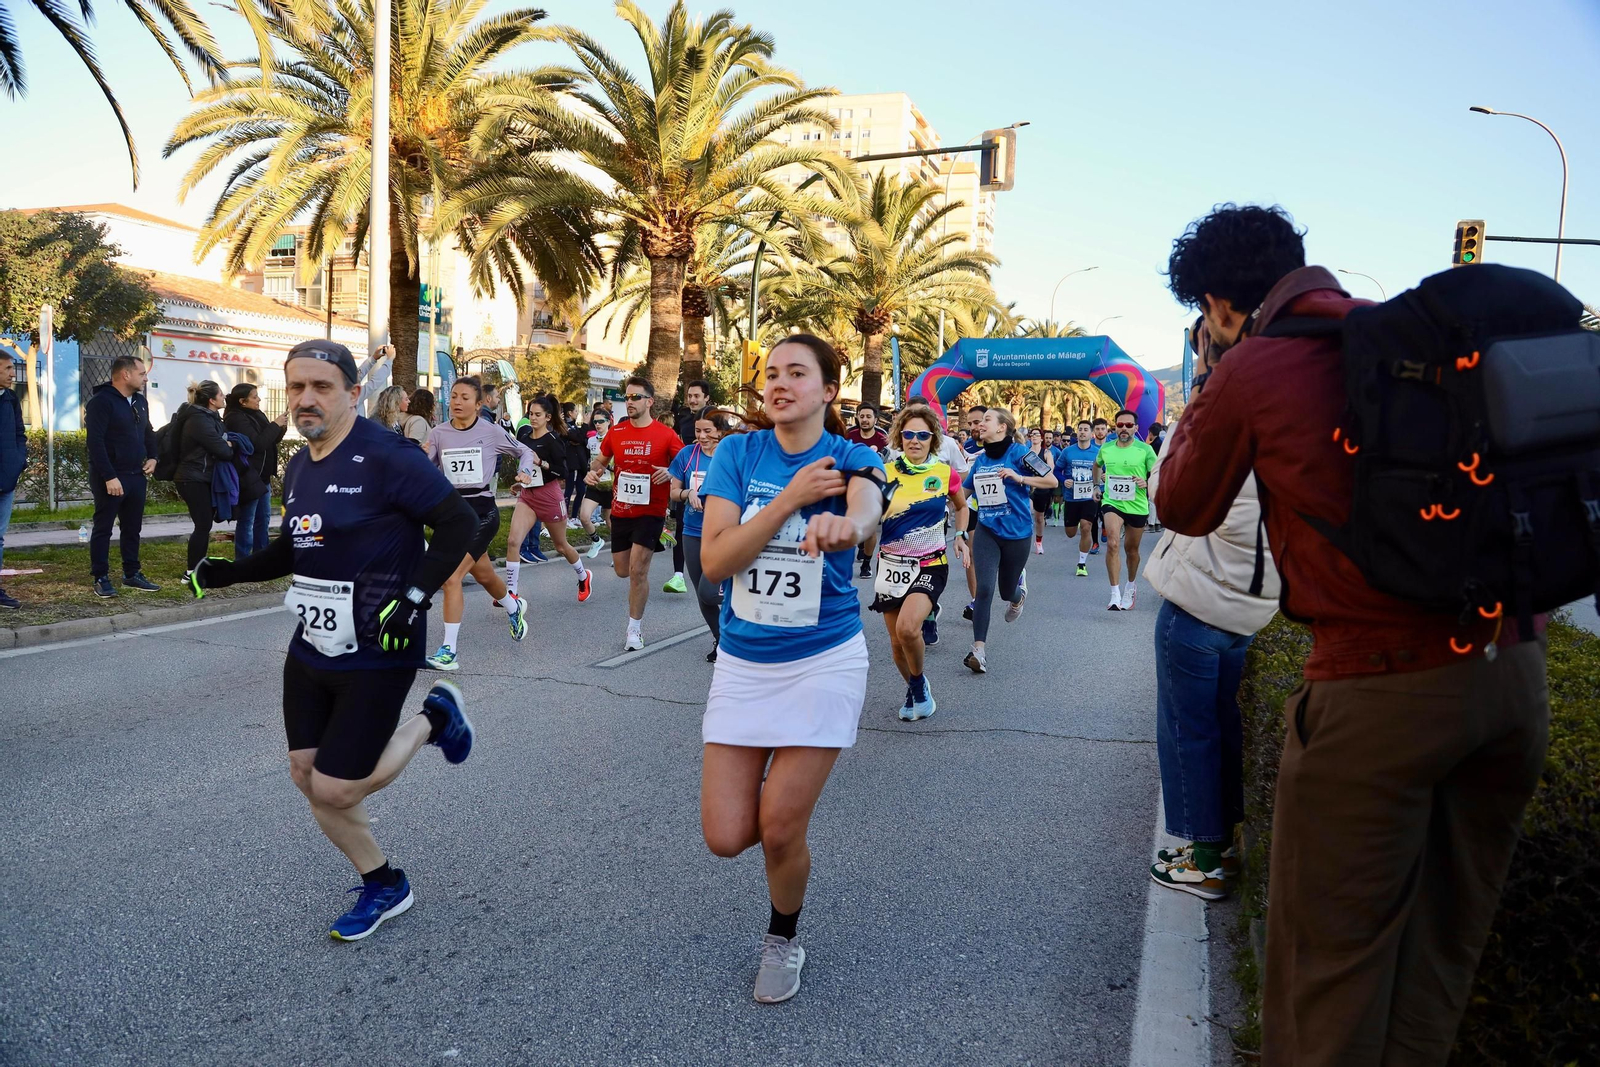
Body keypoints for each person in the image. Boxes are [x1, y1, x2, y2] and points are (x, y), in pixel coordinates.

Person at [1157, 203, 1549, 1066]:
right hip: (1512, 677)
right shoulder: (1413, 339)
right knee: (1438, 953)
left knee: (1326, 973)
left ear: (1219, 305)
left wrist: (1213, 376)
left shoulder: (1255, 365)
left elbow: (1180, 504)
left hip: (1377, 694)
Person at [186, 338, 479, 942]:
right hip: (312, 644)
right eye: (296, 387)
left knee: (338, 786)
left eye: (321, 387)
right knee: (304, 773)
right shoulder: (300, 464)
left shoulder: (389, 456)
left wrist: (418, 597)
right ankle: (384, 882)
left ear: (353, 392)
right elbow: (297, 546)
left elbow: (460, 525)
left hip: (381, 643)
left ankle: (434, 717)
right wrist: (231, 572)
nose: (306, 399)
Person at [698, 333, 886, 1004]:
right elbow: (716, 562)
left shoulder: (849, 454)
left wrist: (851, 526)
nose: (780, 382)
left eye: (797, 372)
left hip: (823, 661)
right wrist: (787, 502)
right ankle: (778, 807)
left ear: (828, 389)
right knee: (725, 836)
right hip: (745, 664)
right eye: (771, 372)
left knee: (779, 826)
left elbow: (867, 503)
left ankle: (783, 937)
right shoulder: (737, 453)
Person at [1143, 326, 1279, 902]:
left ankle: (1202, 857)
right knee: (1223, 725)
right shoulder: (1296, 427)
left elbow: (1166, 495)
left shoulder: (1221, 424)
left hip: (1198, 605)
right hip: (1253, 606)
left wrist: (1194, 409)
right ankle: (1220, 842)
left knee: (1187, 732)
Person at [423, 377, 536, 671]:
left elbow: (526, 451)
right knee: (484, 575)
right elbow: (425, 468)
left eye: (464, 397)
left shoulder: (491, 431)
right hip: (451, 514)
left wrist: (524, 472)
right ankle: (513, 606)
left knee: (451, 578)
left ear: (477, 404)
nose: (457, 402)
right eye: (454, 396)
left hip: (482, 513)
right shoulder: (438, 434)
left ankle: (449, 650)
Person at [872, 403, 969, 719]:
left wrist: (960, 535)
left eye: (922, 435)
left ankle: (917, 686)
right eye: (909, 434)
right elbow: (869, 515)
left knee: (908, 628)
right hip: (890, 565)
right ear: (900, 437)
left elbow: (961, 506)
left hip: (930, 563)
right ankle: (918, 687)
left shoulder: (944, 473)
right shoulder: (885, 474)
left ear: (932, 440)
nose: (915, 440)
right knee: (897, 643)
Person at [587, 377, 682, 651]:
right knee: (622, 571)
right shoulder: (617, 433)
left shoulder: (665, 435)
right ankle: (656, 540)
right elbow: (601, 461)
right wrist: (593, 472)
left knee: (638, 571)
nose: (629, 401)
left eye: (635, 397)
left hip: (651, 512)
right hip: (622, 511)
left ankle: (634, 630)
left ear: (649, 402)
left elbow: (685, 461)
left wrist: (673, 472)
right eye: (627, 397)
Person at [961, 405, 1056, 673]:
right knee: (985, 589)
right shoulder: (980, 460)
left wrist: (1019, 477)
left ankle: (1018, 596)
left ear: (1002, 427)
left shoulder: (1020, 453)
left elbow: (1051, 482)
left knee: (1005, 591)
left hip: (1017, 533)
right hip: (987, 530)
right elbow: (964, 493)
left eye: (987, 420)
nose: (981, 424)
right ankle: (978, 650)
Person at [83, 356, 162, 597]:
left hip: (135, 475)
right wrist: (109, 476)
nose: (145, 378)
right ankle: (101, 576)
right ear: (126, 374)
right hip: (110, 477)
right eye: (141, 373)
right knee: (103, 528)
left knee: (132, 528)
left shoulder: (139, 401)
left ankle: (131, 573)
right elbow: (94, 442)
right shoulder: (101, 402)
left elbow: (148, 431)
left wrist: (153, 457)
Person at [504, 394, 592, 604]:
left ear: (547, 417)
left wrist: (541, 462)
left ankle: (583, 576)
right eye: (531, 414)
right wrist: (520, 482)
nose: (533, 418)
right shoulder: (524, 439)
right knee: (513, 541)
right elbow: (526, 470)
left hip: (549, 496)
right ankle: (511, 593)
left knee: (561, 546)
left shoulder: (553, 441)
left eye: (537, 415)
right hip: (528, 496)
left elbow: (562, 472)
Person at [668, 407, 737, 661]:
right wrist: (688, 494)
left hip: (725, 533)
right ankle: (722, 641)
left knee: (711, 591)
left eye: (708, 431)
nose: (703, 436)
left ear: (720, 430)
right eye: (698, 431)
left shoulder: (730, 455)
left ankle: (738, 623)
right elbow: (674, 491)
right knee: (702, 594)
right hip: (693, 531)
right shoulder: (687, 454)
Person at [173, 380, 236, 580]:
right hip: (192, 478)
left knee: (204, 524)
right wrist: (228, 444)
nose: (224, 397)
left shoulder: (211, 417)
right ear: (211, 400)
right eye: (221, 394)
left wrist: (226, 443)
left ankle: (198, 567)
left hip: (201, 477)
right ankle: (191, 572)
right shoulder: (199, 420)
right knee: (202, 524)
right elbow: (224, 451)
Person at [1096, 409, 1157, 611]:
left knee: (1132, 550)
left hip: (1137, 505)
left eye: (1128, 425)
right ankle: (1115, 594)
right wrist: (1097, 483)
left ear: (1136, 428)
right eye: (1120, 425)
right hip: (1112, 502)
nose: (1124, 428)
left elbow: (1158, 474)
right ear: (1115, 427)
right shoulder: (1106, 448)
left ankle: (1130, 585)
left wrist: (1146, 481)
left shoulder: (1145, 450)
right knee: (1112, 542)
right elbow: (1096, 466)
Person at [223, 382, 289, 560]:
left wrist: (280, 428)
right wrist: (275, 425)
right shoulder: (236, 418)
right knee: (248, 520)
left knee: (264, 517)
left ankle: (262, 556)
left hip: (263, 477)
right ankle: (243, 560)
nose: (259, 399)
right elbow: (257, 445)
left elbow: (269, 440)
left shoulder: (257, 414)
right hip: (249, 476)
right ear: (243, 401)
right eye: (254, 397)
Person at [665, 379, 713, 595]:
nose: (692, 400)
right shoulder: (683, 418)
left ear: (706, 398)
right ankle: (678, 575)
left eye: (697, 396)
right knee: (683, 526)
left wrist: (710, 443)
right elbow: (676, 446)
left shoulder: (719, 420)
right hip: (687, 481)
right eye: (689, 396)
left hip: (715, 495)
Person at [845, 403, 891, 579]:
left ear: (875, 419)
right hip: (850, 486)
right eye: (861, 416)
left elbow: (888, 463)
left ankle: (866, 564)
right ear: (857, 417)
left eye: (868, 416)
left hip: (875, 488)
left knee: (871, 529)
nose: (864, 420)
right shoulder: (849, 436)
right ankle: (858, 547)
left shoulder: (883, 438)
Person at [1054, 419, 1102, 578]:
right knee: (1070, 532)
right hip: (1071, 497)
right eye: (1080, 429)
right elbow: (1056, 471)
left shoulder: (1097, 452)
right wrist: (1063, 480)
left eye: (1085, 429)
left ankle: (1082, 563)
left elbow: (1103, 472)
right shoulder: (1067, 452)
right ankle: (1073, 530)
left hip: (1090, 497)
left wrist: (1103, 478)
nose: (1082, 432)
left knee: (1086, 526)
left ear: (1091, 433)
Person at [0, 354, 24, 609]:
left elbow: (19, 433)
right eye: (7, 368)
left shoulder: (10, 399)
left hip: (5, 480)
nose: (13, 374)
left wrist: (18, 461)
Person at [574, 408, 612, 559]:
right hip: (595, 485)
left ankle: (616, 554)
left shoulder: (614, 438)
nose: (597, 424)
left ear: (608, 422)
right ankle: (596, 541)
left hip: (610, 486)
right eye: (595, 422)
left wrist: (605, 466)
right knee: (584, 517)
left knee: (610, 522)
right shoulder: (591, 441)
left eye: (601, 421)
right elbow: (590, 461)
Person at [1025, 427, 1055, 555]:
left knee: (1039, 518)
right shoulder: (1025, 452)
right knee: (1027, 513)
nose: (1034, 436)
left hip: (1042, 489)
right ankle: (1023, 540)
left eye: (1037, 434)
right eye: (1032, 434)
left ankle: (1039, 542)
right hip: (1027, 488)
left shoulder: (1047, 453)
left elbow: (1050, 471)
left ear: (1041, 438)